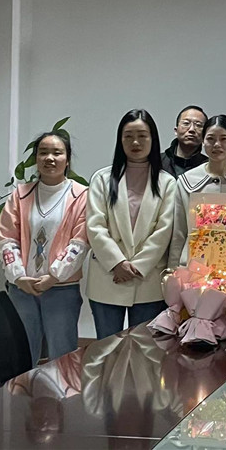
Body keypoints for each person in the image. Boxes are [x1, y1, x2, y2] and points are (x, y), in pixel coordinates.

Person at [0, 131, 88, 363]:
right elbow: (7, 239)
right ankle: (21, 390)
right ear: (36, 158)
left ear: (67, 159)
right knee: (22, 355)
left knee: (62, 355)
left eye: (57, 153)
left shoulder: (81, 196)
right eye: (43, 152)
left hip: (62, 289)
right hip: (22, 290)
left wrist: (53, 276)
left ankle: (62, 390)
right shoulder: (20, 194)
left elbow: (79, 243)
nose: (49, 158)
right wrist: (19, 277)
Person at [86, 109, 176, 340]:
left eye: (142, 136)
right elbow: (95, 226)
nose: (135, 142)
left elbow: (164, 231)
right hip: (108, 277)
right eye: (128, 136)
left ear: (153, 139)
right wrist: (117, 263)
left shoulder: (167, 183)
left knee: (144, 351)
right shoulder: (102, 179)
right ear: (120, 140)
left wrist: (136, 267)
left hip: (148, 280)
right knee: (106, 348)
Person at [170, 114, 226, 266]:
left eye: (224, 139)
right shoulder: (186, 181)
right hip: (193, 266)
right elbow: (179, 233)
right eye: (211, 139)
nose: (217, 144)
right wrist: (173, 271)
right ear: (203, 141)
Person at [160, 105, 208, 177]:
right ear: (176, 131)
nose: (192, 129)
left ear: (205, 134)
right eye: (186, 123)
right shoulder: (158, 162)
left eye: (198, 125)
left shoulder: (208, 167)